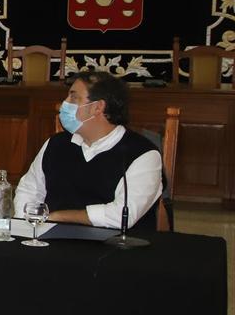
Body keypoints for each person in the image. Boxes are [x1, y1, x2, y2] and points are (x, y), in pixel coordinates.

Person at [14, 70, 163, 231]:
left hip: (114, 246)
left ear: (98, 107)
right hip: (51, 239)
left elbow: (121, 215)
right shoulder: (56, 144)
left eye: (73, 97)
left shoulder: (143, 154)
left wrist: (58, 217)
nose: (65, 103)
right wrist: (27, 227)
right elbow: (29, 190)